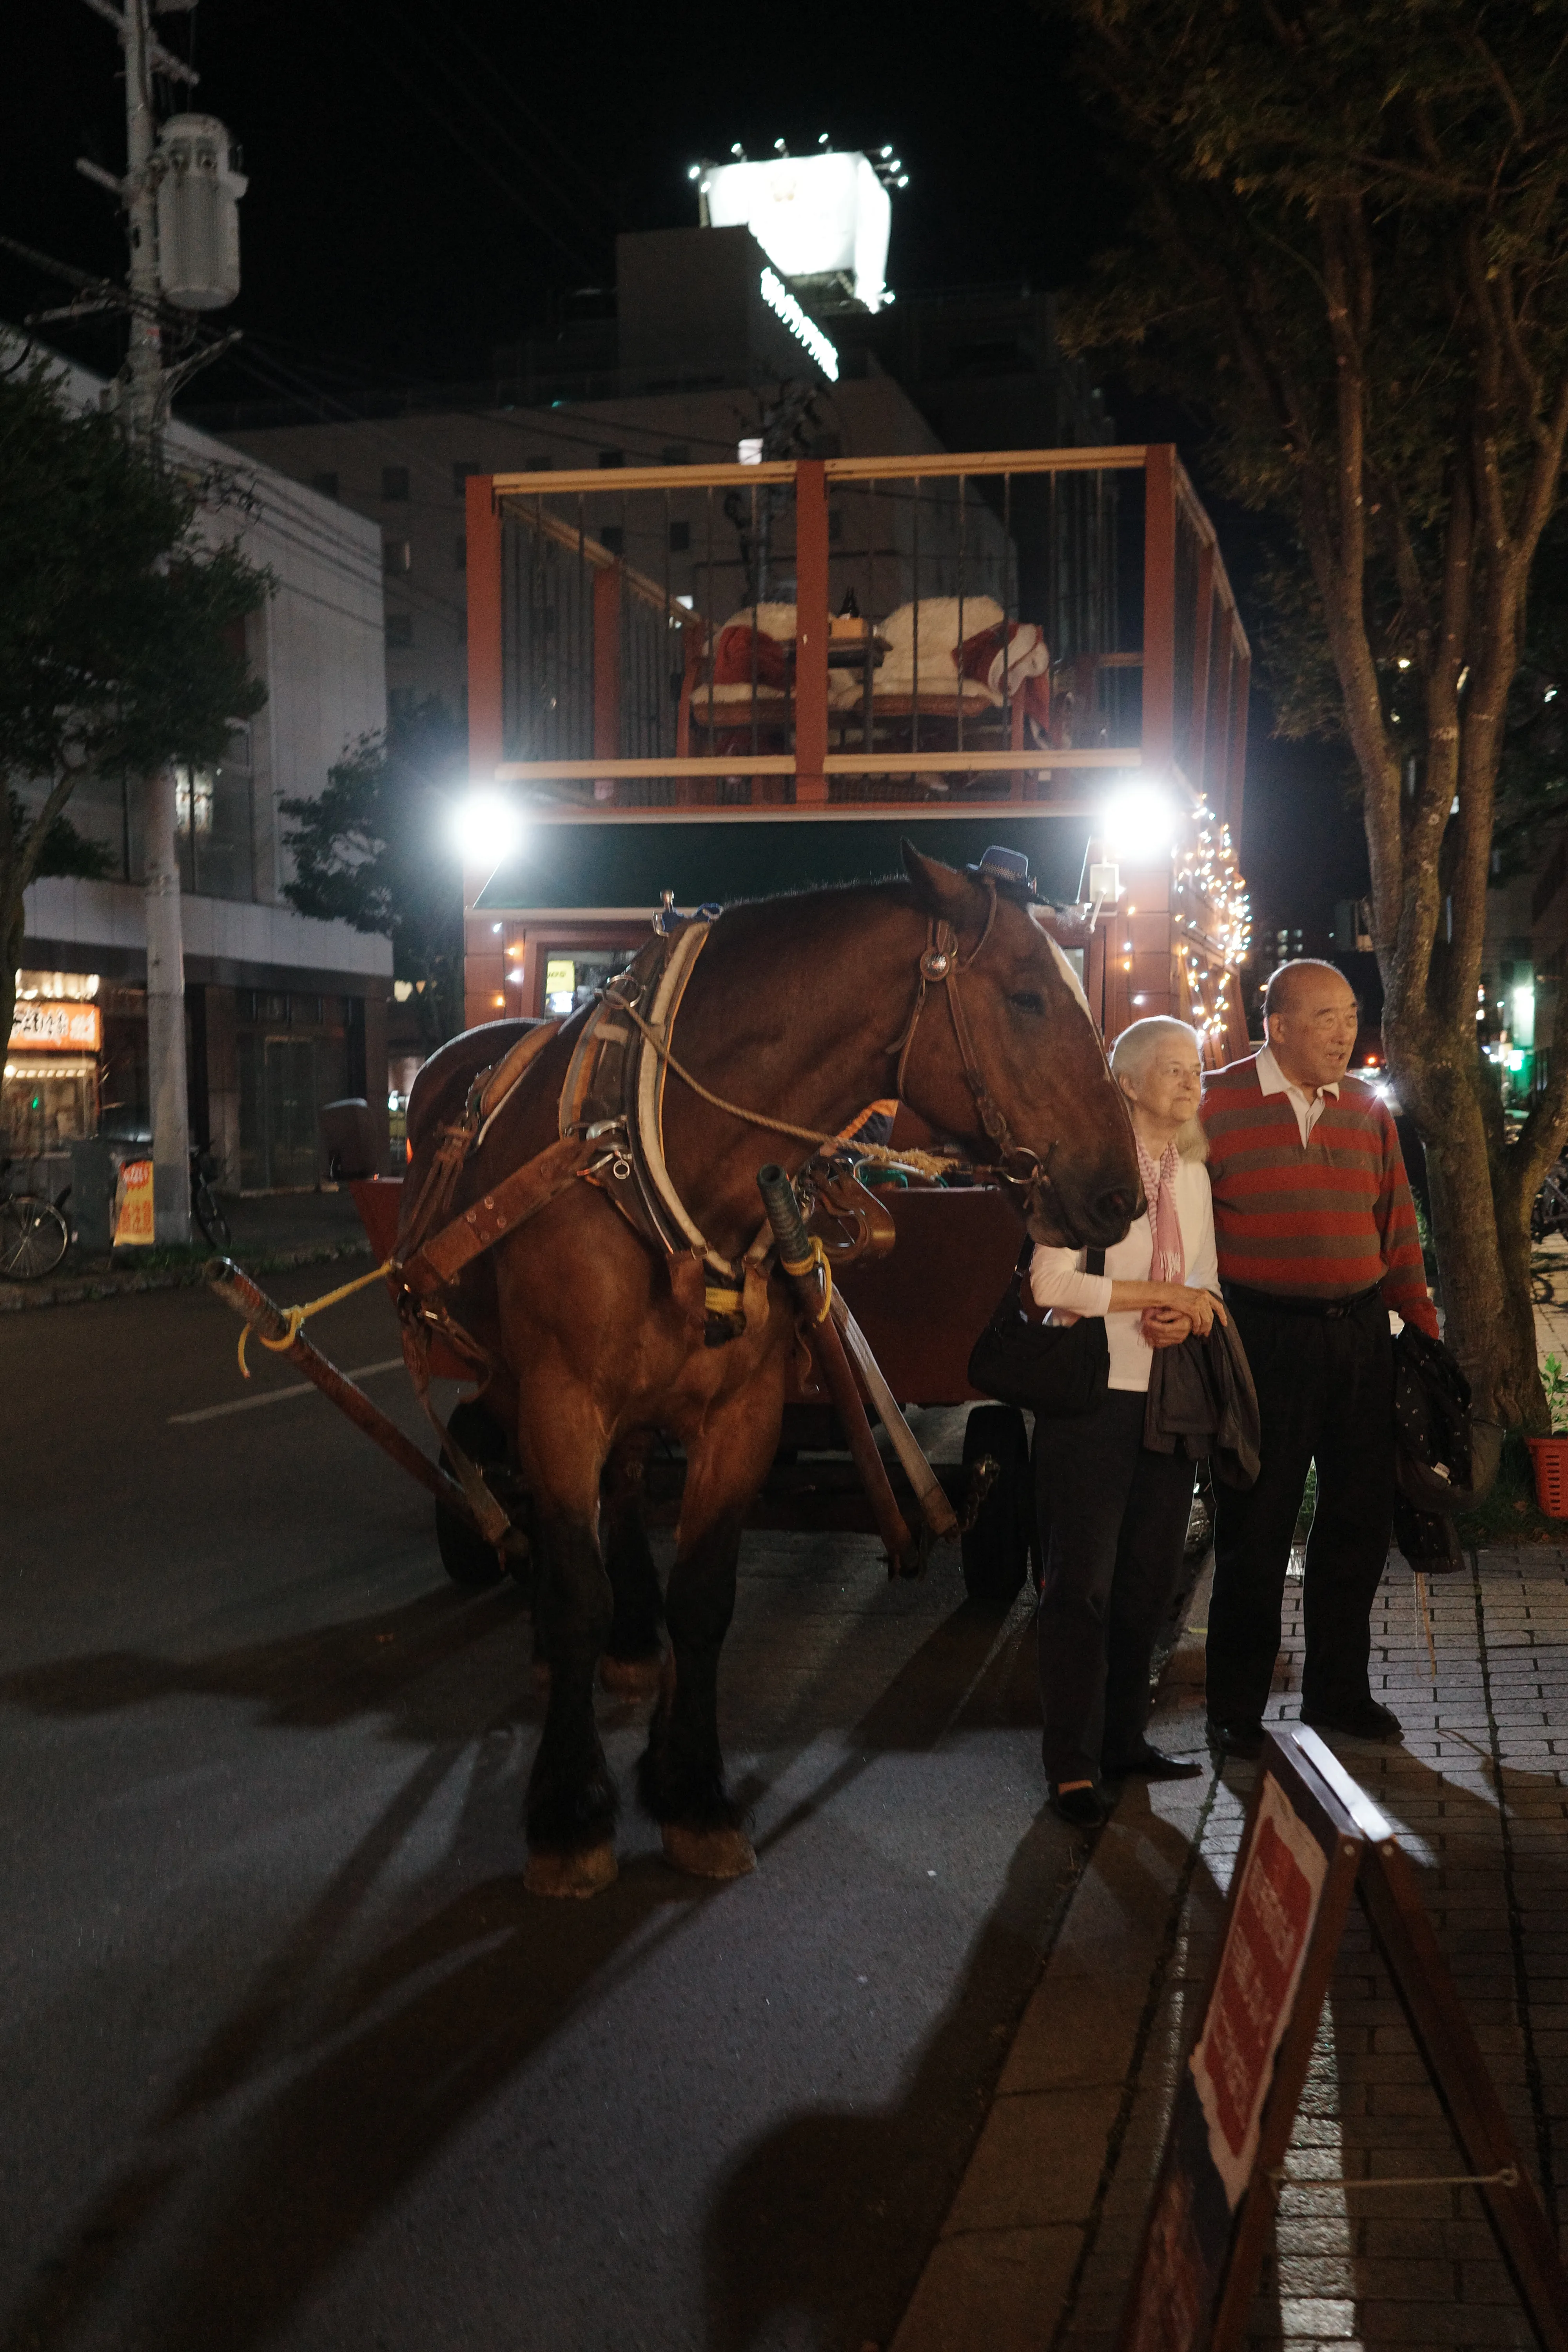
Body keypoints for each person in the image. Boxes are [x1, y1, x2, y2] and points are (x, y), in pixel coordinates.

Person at [1200, 960, 1440, 1759]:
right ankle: (1234, 1707)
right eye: (1326, 1018)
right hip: (1261, 1338)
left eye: (1348, 1015)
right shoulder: (1215, 1103)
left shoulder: (1366, 1109)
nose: (1344, 1032)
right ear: (1277, 1026)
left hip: (1360, 1335)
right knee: (1254, 1523)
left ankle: (1337, 1694)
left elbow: (1395, 1220)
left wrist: (1421, 1322)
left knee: (1356, 1523)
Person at [1030, 1016, 1223, 1827]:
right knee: (1080, 1587)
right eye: (1173, 1071)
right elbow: (1048, 1286)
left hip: (1166, 1400)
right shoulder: (1081, 1173)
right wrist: (1157, 1299)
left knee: (1146, 1583)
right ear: (1129, 1084)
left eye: (1196, 1072)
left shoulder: (1192, 1174)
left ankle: (1122, 1742)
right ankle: (1069, 1763)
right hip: (1091, 1401)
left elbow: (1207, 1289)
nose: (1190, 1085)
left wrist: (1193, 1315)